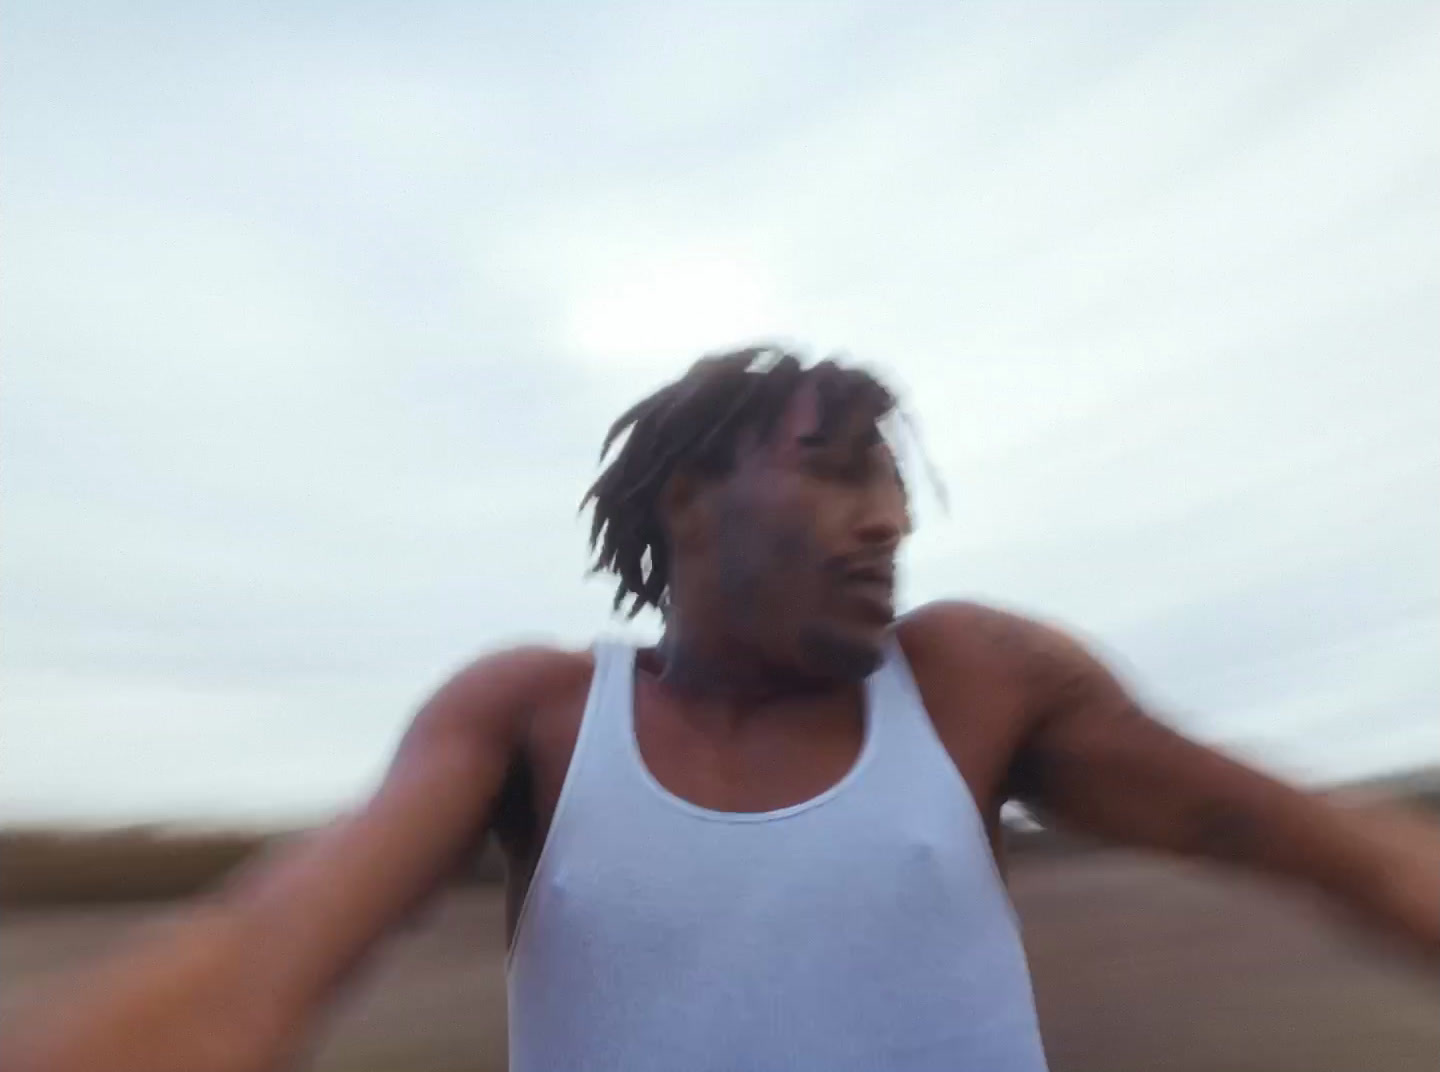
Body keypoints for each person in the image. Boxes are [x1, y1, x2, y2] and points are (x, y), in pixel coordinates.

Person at [4, 346, 1437, 1072]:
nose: (885, 522)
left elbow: (1318, 843)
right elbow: (263, 956)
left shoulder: (968, 682)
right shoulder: (534, 720)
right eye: (835, 474)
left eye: (893, 487)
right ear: (687, 499)